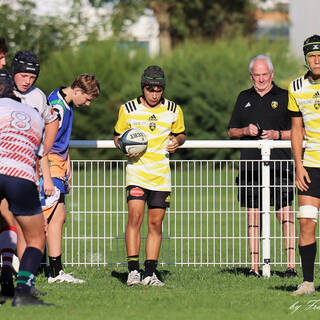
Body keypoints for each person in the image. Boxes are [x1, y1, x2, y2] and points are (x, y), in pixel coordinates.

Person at [114, 65, 186, 286]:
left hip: (161, 175)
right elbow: (117, 137)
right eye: (150, 90)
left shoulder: (174, 109)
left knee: (156, 224)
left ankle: (150, 273)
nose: (154, 94)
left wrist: (177, 142)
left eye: (158, 90)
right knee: (135, 217)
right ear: (143, 88)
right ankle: (133, 270)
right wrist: (123, 146)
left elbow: (181, 134)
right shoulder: (128, 109)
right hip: (137, 172)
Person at [228, 54, 296, 277]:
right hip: (250, 167)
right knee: (253, 215)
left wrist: (277, 135)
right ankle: (254, 267)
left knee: (284, 214)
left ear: (272, 74)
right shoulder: (242, 97)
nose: (260, 79)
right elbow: (231, 132)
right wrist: (245, 131)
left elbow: (299, 132)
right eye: (256, 75)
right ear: (251, 76)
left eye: (264, 74)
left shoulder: (286, 97)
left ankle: (291, 266)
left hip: (280, 166)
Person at [0, 50, 59, 298]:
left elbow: (52, 120)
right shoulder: (11, 97)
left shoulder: (38, 98)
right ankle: (17, 282)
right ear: (12, 75)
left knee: (20, 226)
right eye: (23, 75)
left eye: (32, 77)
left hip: (23, 168)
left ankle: (14, 274)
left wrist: (43, 154)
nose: (27, 81)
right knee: (17, 224)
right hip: (18, 172)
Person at [43, 74, 100, 283]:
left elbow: (59, 139)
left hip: (58, 163)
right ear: (77, 91)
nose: (88, 104)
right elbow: (44, 142)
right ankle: (18, 269)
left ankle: (55, 271)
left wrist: (67, 159)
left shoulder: (64, 101)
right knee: (41, 220)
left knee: (58, 217)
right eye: (87, 99)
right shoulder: (57, 107)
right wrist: (47, 175)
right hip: (49, 165)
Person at [290, 34, 320, 296]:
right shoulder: (296, 87)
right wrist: (298, 165)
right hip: (310, 166)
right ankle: (308, 282)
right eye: (312, 55)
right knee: (307, 222)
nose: (317, 60)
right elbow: (296, 130)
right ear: (306, 58)